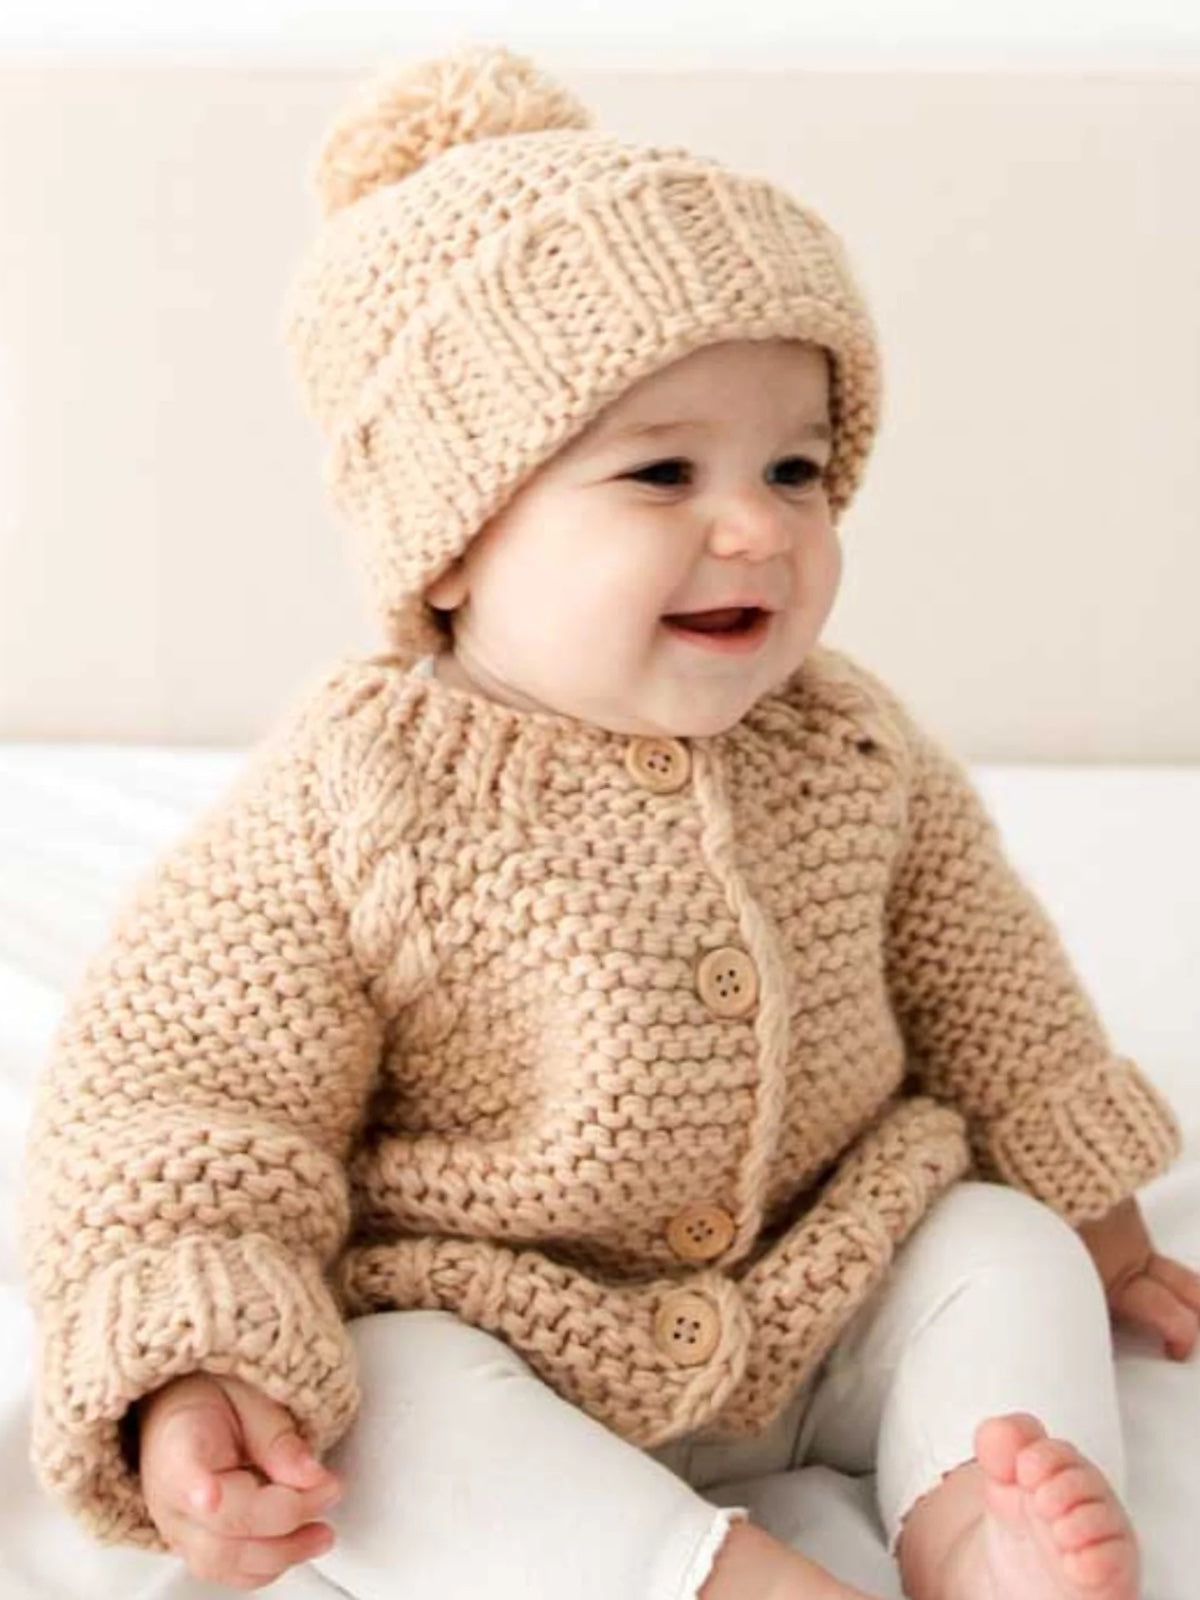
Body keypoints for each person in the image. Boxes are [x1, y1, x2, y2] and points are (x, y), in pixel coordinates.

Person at [19, 41, 1200, 1600]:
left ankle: (982, 1535)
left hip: (824, 1279)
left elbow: (990, 987)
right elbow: (181, 1107)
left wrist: (1096, 1226)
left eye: (796, 467)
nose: (758, 526)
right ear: (451, 542)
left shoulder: (848, 739)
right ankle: (706, 1577)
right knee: (378, 1415)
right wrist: (192, 1360)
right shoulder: (354, 797)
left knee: (995, 1248)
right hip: (506, 1328)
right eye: (663, 472)